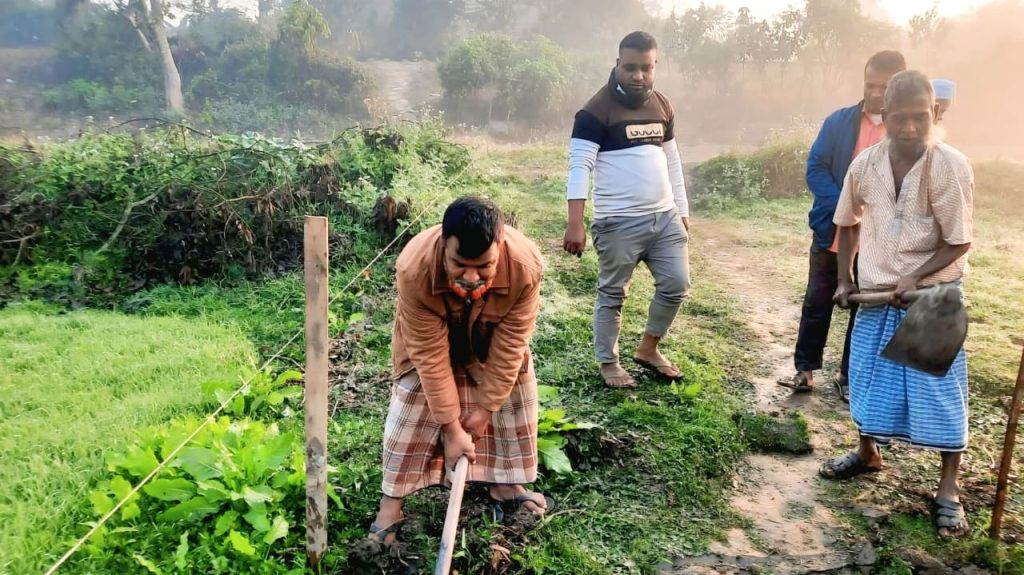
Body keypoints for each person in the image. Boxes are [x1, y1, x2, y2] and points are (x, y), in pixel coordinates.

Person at [822, 70, 974, 539]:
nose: (909, 128)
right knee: (866, 382)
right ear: (884, 116)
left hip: (932, 302)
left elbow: (959, 242)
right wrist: (845, 277)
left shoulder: (950, 166)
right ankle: (868, 453)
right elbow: (847, 223)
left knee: (940, 397)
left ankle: (948, 489)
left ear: (935, 113)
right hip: (874, 298)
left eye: (919, 117)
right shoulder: (864, 164)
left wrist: (915, 277)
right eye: (899, 119)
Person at [367, 196, 549, 545]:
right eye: (459, 264)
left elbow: (511, 344)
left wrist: (482, 413)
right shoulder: (414, 267)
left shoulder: (525, 265)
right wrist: (451, 428)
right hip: (429, 347)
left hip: (490, 342)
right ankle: (391, 506)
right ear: (443, 244)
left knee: (513, 387)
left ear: (500, 246)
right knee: (413, 402)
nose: (470, 276)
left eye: (483, 266)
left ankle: (505, 483)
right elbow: (430, 356)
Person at [562, 30, 691, 389]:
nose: (638, 76)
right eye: (631, 67)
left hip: (664, 218)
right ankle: (608, 362)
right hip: (617, 222)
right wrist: (575, 224)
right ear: (618, 64)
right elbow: (579, 167)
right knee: (613, 293)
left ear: (654, 67)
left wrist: (682, 210)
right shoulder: (594, 111)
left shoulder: (662, 104)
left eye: (646, 68)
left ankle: (649, 349)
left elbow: (673, 161)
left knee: (677, 285)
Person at [778, 50, 907, 401]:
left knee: (863, 312)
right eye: (871, 85)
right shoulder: (838, 122)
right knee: (816, 302)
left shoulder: (905, 133)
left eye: (886, 86)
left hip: (878, 242)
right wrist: (844, 206)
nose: (877, 93)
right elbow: (815, 166)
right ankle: (804, 371)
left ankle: (848, 377)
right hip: (831, 231)